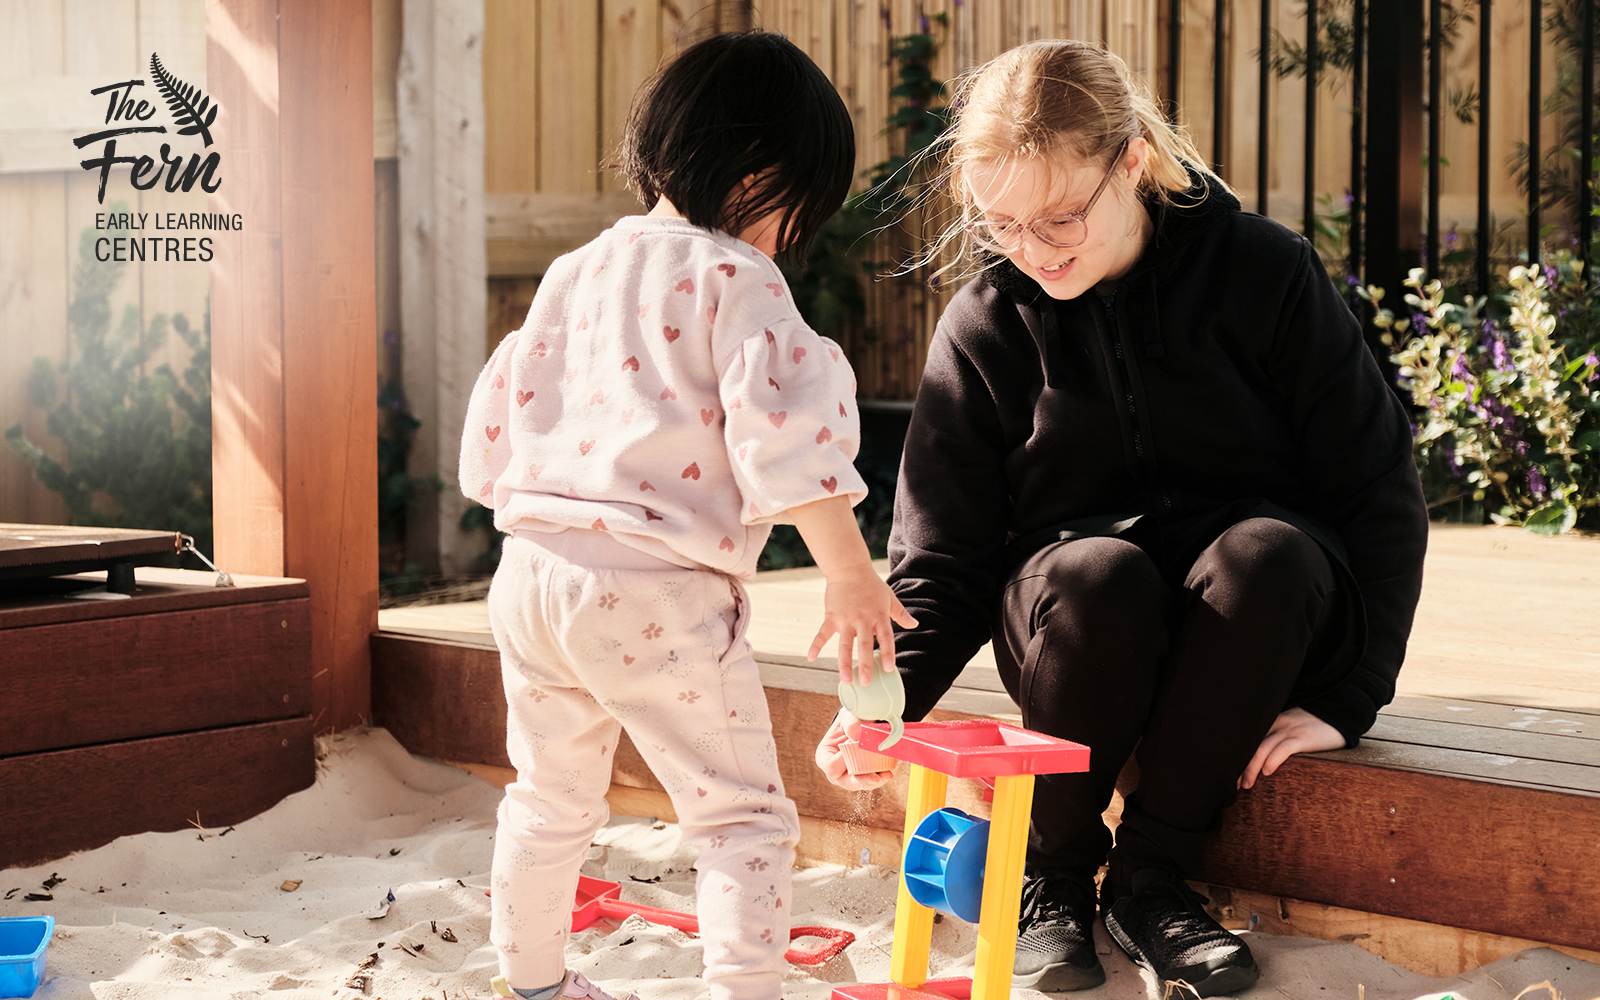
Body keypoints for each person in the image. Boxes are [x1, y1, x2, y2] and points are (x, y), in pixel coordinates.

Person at [814, 39, 1429, 998]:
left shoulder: (1264, 273)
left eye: (1061, 215)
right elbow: (943, 554)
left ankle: (1151, 881)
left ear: (1131, 160)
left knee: (1266, 551)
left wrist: (1352, 702)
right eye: (1002, 223)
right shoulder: (986, 323)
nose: (1035, 248)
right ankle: (1052, 878)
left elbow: (1379, 486)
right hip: (1080, 624)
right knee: (1096, 571)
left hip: (1256, 618)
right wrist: (882, 711)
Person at [461, 32, 915, 1000]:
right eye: (799, 212)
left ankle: (532, 982)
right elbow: (784, 435)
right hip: (653, 589)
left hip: (532, 572)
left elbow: (501, 420)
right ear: (763, 177)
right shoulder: (735, 279)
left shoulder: (574, 269)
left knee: (547, 797)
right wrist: (847, 569)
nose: (791, 237)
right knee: (739, 816)